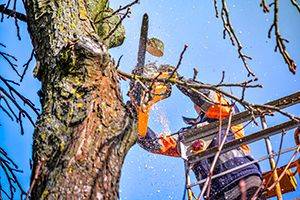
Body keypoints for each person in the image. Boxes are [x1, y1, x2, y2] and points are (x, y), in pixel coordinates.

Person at [131, 74, 266, 200]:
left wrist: (178, 79)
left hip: (242, 178)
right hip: (215, 193)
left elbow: (209, 99)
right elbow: (156, 144)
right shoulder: (188, 134)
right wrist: (135, 117)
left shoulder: (228, 115)